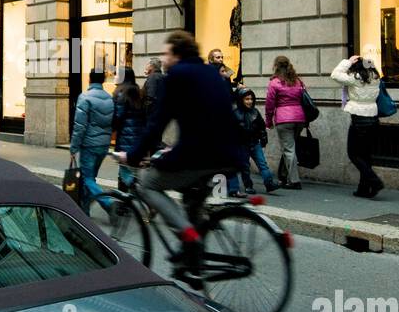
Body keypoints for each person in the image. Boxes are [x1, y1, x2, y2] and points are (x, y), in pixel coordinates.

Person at [118, 30, 240, 278]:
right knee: (191, 195)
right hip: (230, 153)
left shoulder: (176, 76)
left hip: (200, 153)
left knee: (148, 182)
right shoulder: (211, 72)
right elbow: (209, 116)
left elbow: (157, 122)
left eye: (165, 53)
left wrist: (132, 155)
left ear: (176, 54)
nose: (163, 58)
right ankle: (193, 262)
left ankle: (188, 235)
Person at [331, 52, 383, 198]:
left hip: (359, 119)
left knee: (353, 153)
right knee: (365, 155)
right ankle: (363, 189)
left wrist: (348, 61)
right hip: (373, 118)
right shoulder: (376, 79)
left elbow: (335, 74)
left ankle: (374, 181)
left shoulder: (355, 79)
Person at [69, 69, 115, 214]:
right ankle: (84, 209)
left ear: (89, 79)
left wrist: (73, 147)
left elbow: (79, 126)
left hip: (89, 145)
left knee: (87, 179)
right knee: (90, 178)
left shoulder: (85, 97)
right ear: (103, 80)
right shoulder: (109, 98)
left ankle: (108, 203)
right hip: (104, 144)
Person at [264, 56, 306, 190]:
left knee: (289, 149)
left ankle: (294, 181)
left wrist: (268, 120)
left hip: (284, 119)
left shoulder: (275, 83)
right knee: (290, 148)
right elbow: (304, 99)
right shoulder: (298, 81)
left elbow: (269, 104)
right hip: (299, 118)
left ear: (275, 65)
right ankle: (284, 175)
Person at [234, 88, 278, 194]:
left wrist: (263, 138)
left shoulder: (255, 112)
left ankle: (269, 184)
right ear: (241, 100)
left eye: (251, 99)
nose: (250, 101)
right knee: (245, 167)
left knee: (262, 164)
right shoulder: (235, 114)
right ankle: (248, 186)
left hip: (254, 142)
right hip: (242, 144)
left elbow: (261, 126)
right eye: (246, 99)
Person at [112, 67, 146, 191]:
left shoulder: (121, 93)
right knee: (135, 171)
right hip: (139, 137)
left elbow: (118, 116)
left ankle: (124, 205)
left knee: (124, 172)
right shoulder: (139, 92)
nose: (114, 77)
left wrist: (111, 129)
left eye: (116, 75)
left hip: (125, 137)